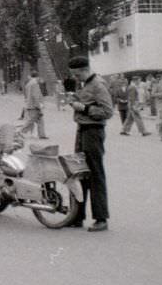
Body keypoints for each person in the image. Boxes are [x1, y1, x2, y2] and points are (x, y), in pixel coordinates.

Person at [67, 56, 113, 232]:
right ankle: (77, 216)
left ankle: (101, 218)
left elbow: (108, 111)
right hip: (83, 130)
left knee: (95, 174)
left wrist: (84, 108)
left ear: (82, 70)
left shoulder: (98, 85)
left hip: (93, 132)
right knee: (79, 173)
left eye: (75, 74)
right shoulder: (87, 84)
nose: (75, 78)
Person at [21, 72, 48, 139]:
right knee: (31, 121)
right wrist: (38, 106)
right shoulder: (35, 84)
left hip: (30, 104)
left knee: (40, 120)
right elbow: (35, 96)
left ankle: (42, 135)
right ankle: (20, 132)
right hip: (34, 106)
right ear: (37, 77)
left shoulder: (28, 84)